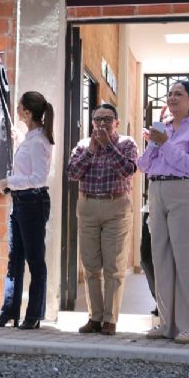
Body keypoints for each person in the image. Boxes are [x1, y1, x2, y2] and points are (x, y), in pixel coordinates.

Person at [136, 80, 189, 344]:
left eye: (178, 94)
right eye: (169, 94)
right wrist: (154, 144)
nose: (172, 97)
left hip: (184, 192)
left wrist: (166, 145)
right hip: (157, 192)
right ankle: (166, 324)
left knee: (187, 262)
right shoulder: (163, 128)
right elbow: (143, 165)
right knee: (161, 259)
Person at [66, 103, 138, 335]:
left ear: (116, 123)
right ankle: (94, 317)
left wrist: (108, 147)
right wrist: (91, 150)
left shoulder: (127, 144)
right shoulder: (82, 145)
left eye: (107, 119)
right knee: (90, 266)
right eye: (98, 119)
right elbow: (73, 173)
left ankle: (110, 319)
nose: (102, 123)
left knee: (114, 267)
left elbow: (128, 170)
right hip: (87, 206)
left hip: (116, 206)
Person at [0, 91, 54, 330]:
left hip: (32, 201)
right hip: (21, 202)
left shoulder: (38, 141)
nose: (16, 110)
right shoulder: (31, 139)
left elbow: (38, 178)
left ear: (27, 112)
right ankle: (9, 312)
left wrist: (8, 182)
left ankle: (33, 315)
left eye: (19, 107)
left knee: (35, 260)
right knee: (14, 259)